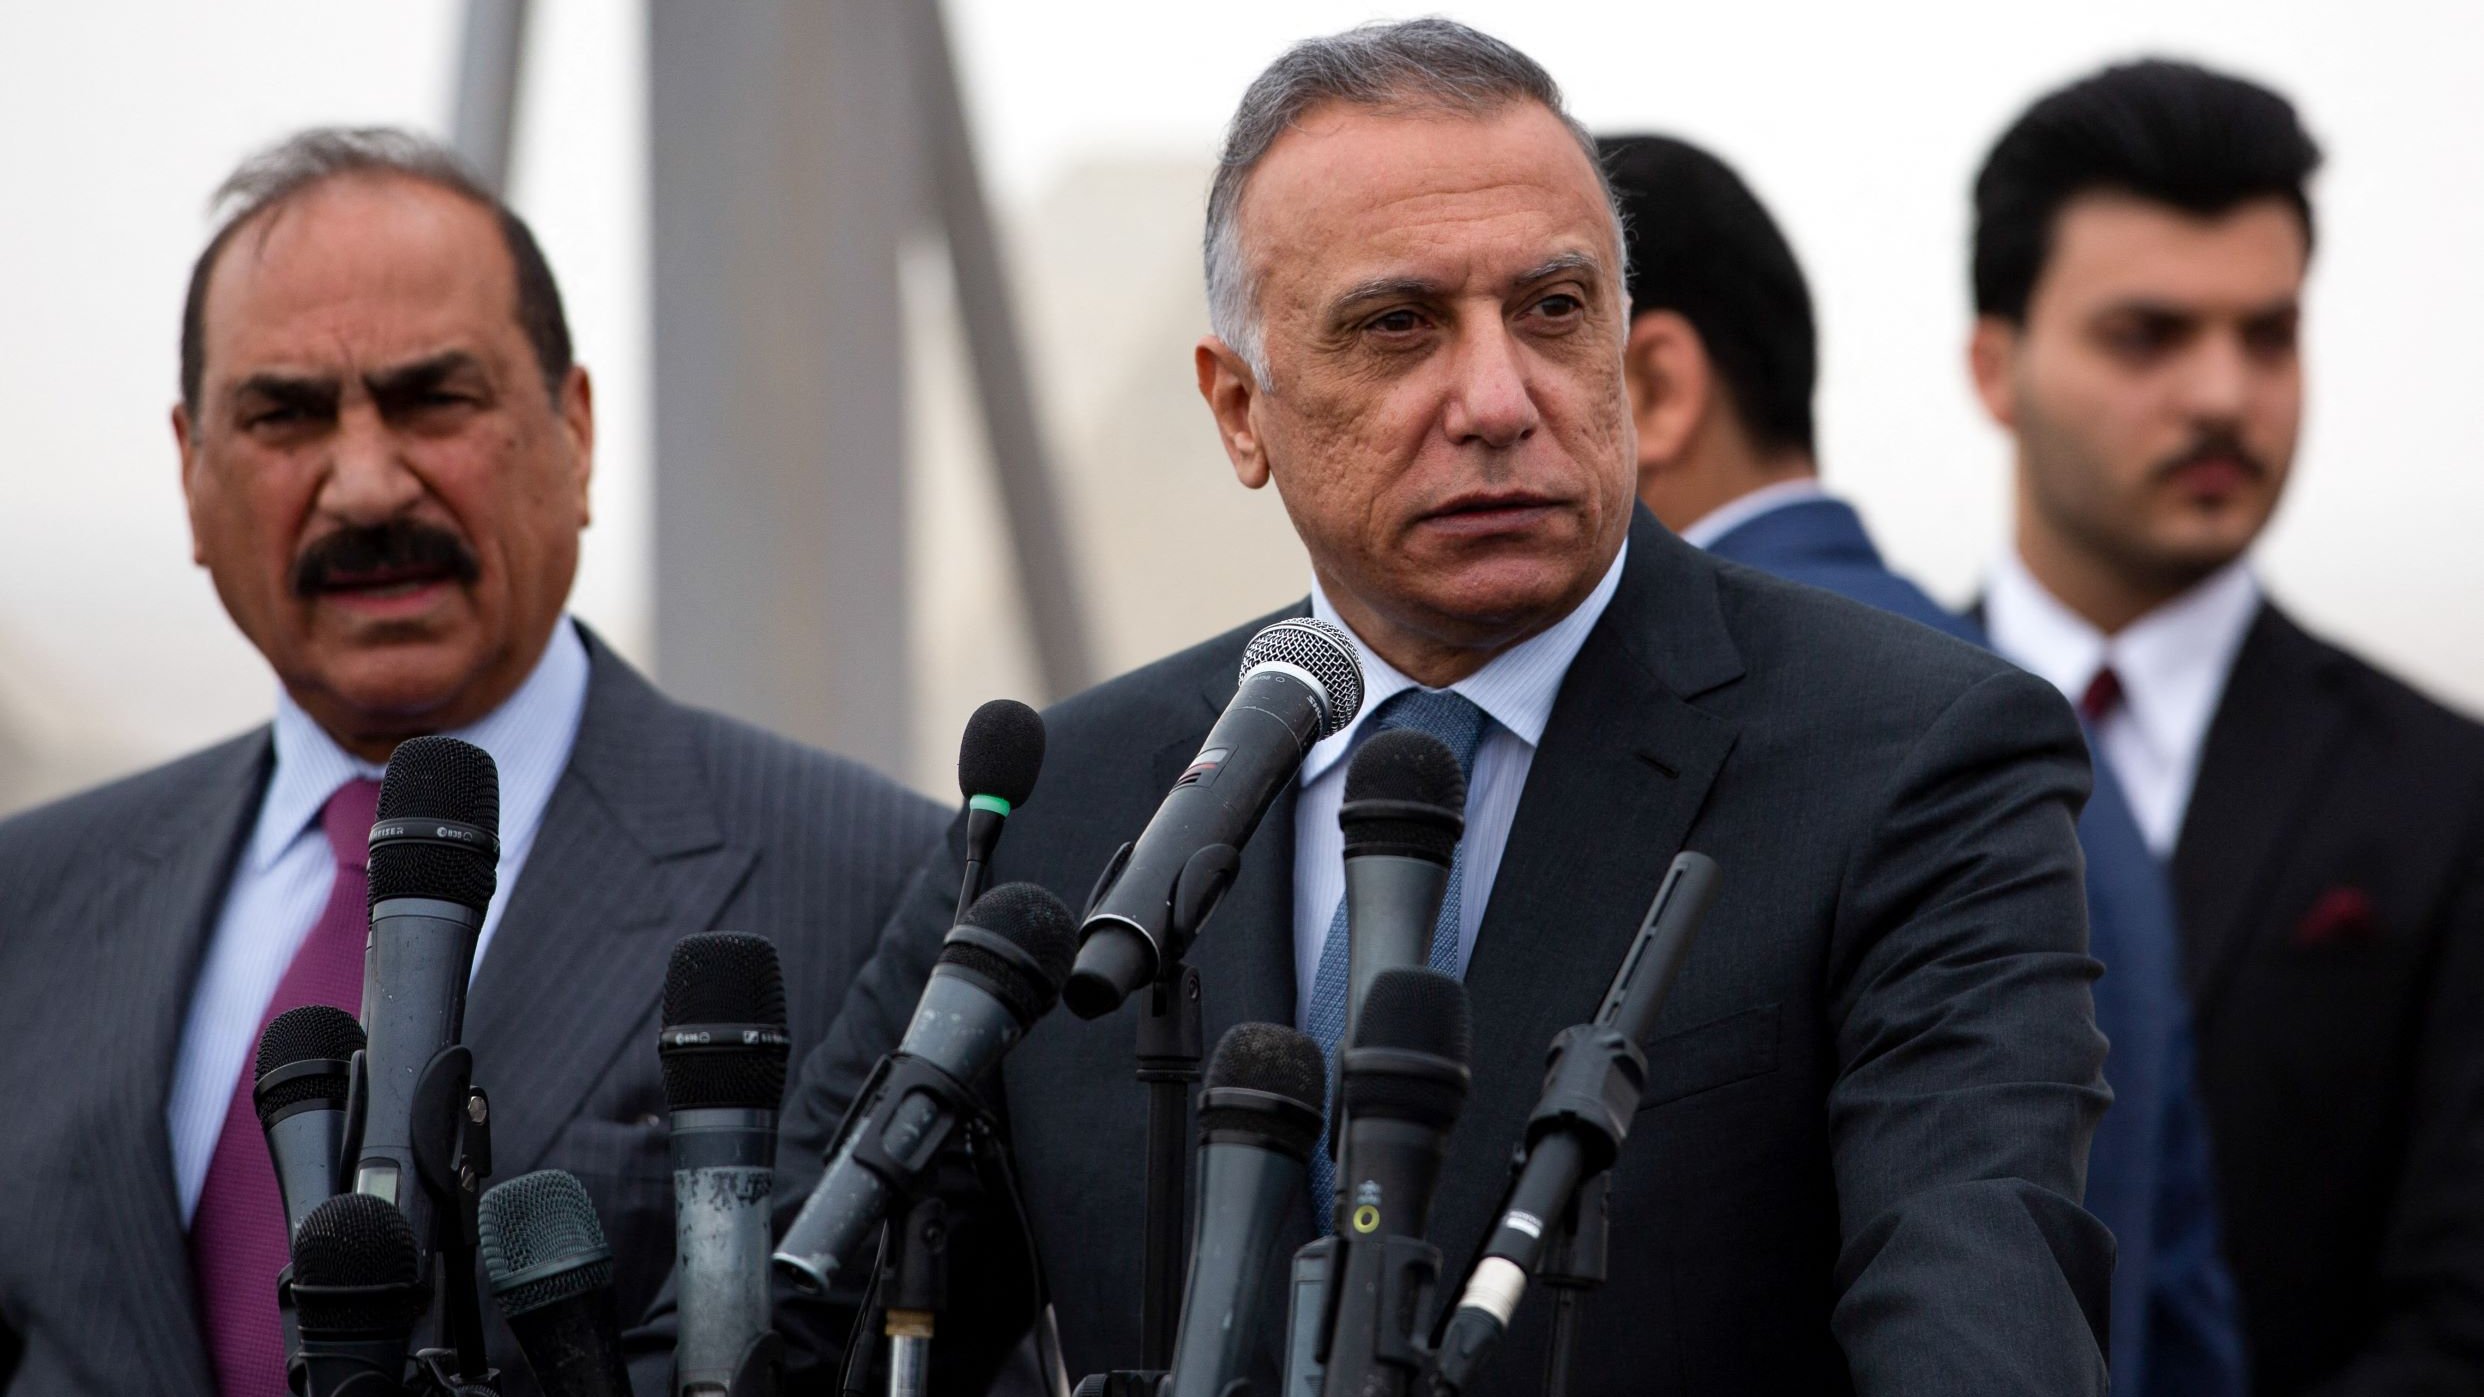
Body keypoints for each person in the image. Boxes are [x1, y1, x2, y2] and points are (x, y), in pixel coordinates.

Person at [761, 20, 2115, 1394]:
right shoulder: (1079, 801)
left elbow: (1979, 1312)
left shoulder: (1911, 761)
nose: (1495, 399)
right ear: (1241, 409)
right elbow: (809, 1316)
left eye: (1552, 311)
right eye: (1397, 325)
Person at [0, 129, 946, 1397]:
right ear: (190, 468)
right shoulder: (34, 902)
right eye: (283, 415)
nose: (366, 485)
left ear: (575, 429)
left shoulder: (872, 886)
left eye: (432, 399)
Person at [1599, 131, 2243, 1397]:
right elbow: (2179, 1300)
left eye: (1542, 333)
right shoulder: (2006, 712)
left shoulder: (1717, 737)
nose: (1481, 420)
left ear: (1653, 385)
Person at [1967, 60, 2484, 1393]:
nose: (2221, 395)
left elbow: (2462, 1315)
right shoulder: (1838, 750)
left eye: (2268, 334)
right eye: (2147, 334)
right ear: (1994, 366)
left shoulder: (2445, 796)